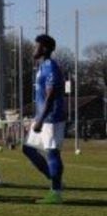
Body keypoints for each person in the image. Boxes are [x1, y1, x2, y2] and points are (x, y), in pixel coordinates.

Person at [23, 34, 67, 205]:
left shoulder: (51, 67)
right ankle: (56, 180)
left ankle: (55, 192)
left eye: (37, 46)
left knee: (52, 152)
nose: (34, 49)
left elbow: (51, 95)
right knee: (28, 149)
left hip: (51, 117)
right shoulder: (41, 66)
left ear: (46, 49)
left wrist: (41, 119)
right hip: (42, 116)